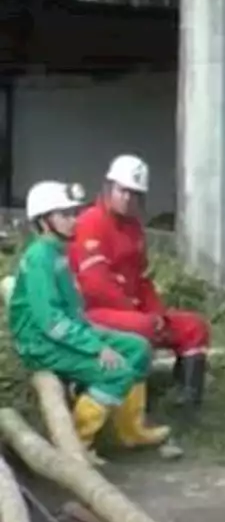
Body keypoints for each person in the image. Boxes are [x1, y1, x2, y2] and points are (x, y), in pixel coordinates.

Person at [11, 181, 169, 461]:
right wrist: (96, 347)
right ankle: (78, 444)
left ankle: (131, 430)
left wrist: (94, 333)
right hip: (41, 344)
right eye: (65, 214)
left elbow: (71, 310)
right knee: (116, 370)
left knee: (138, 348)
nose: (75, 220)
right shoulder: (39, 259)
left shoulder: (57, 252)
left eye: (75, 213)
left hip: (68, 332)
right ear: (45, 221)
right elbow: (52, 323)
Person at [69, 154, 211, 416]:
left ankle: (186, 408)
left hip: (133, 312)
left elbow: (143, 280)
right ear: (108, 187)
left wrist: (156, 313)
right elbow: (97, 285)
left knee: (194, 327)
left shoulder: (134, 228)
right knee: (144, 327)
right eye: (123, 191)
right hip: (94, 314)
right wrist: (141, 317)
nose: (127, 198)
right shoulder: (91, 222)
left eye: (134, 194)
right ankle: (135, 411)